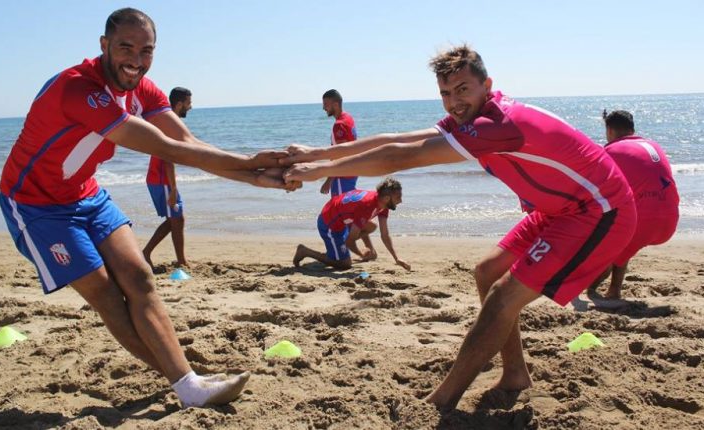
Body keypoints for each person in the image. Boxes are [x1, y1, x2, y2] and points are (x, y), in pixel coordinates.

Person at [284, 45, 636, 410]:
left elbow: (403, 157)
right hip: (557, 210)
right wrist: (316, 154)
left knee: (502, 297)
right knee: (487, 272)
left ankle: (440, 401)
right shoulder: (472, 117)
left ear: (487, 85)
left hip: (599, 211)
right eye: (446, 93)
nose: (454, 101)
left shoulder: (497, 125)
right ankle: (515, 374)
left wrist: (320, 170)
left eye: (463, 89)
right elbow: (397, 140)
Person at [0, 8, 299, 409]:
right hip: (35, 204)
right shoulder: (78, 89)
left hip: (86, 194)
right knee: (107, 293)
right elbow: (167, 148)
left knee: (140, 277)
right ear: (104, 45)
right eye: (125, 47)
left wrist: (254, 177)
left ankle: (187, 381)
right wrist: (248, 165)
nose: (136, 60)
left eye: (146, 51)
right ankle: (186, 382)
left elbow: (188, 142)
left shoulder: (144, 90)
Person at [588, 110, 679, 299]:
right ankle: (613, 288)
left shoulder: (610, 151)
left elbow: (592, 190)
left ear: (609, 130)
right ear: (632, 128)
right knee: (625, 241)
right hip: (670, 220)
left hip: (643, 224)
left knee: (610, 241)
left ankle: (599, 288)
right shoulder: (653, 145)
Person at [293, 177, 410, 271]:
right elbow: (350, 241)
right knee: (344, 264)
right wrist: (361, 254)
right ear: (386, 198)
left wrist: (396, 258)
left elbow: (385, 235)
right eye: (398, 197)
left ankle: (341, 246)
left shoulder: (382, 204)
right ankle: (305, 251)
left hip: (342, 221)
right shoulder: (367, 206)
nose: (401, 201)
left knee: (372, 226)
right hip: (328, 224)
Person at [143, 87, 193, 269]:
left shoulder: (168, 122)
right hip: (161, 179)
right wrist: (173, 189)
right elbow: (167, 159)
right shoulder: (170, 126)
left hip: (159, 178)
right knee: (177, 219)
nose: (190, 107)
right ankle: (178, 260)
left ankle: (152, 254)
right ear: (179, 104)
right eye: (188, 103)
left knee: (176, 219)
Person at [321, 89, 358, 196]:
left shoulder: (339, 125)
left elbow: (340, 155)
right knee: (346, 203)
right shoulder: (348, 118)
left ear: (336, 105)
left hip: (342, 175)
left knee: (339, 204)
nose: (324, 108)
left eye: (326, 104)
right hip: (352, 170)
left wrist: (329, 180)